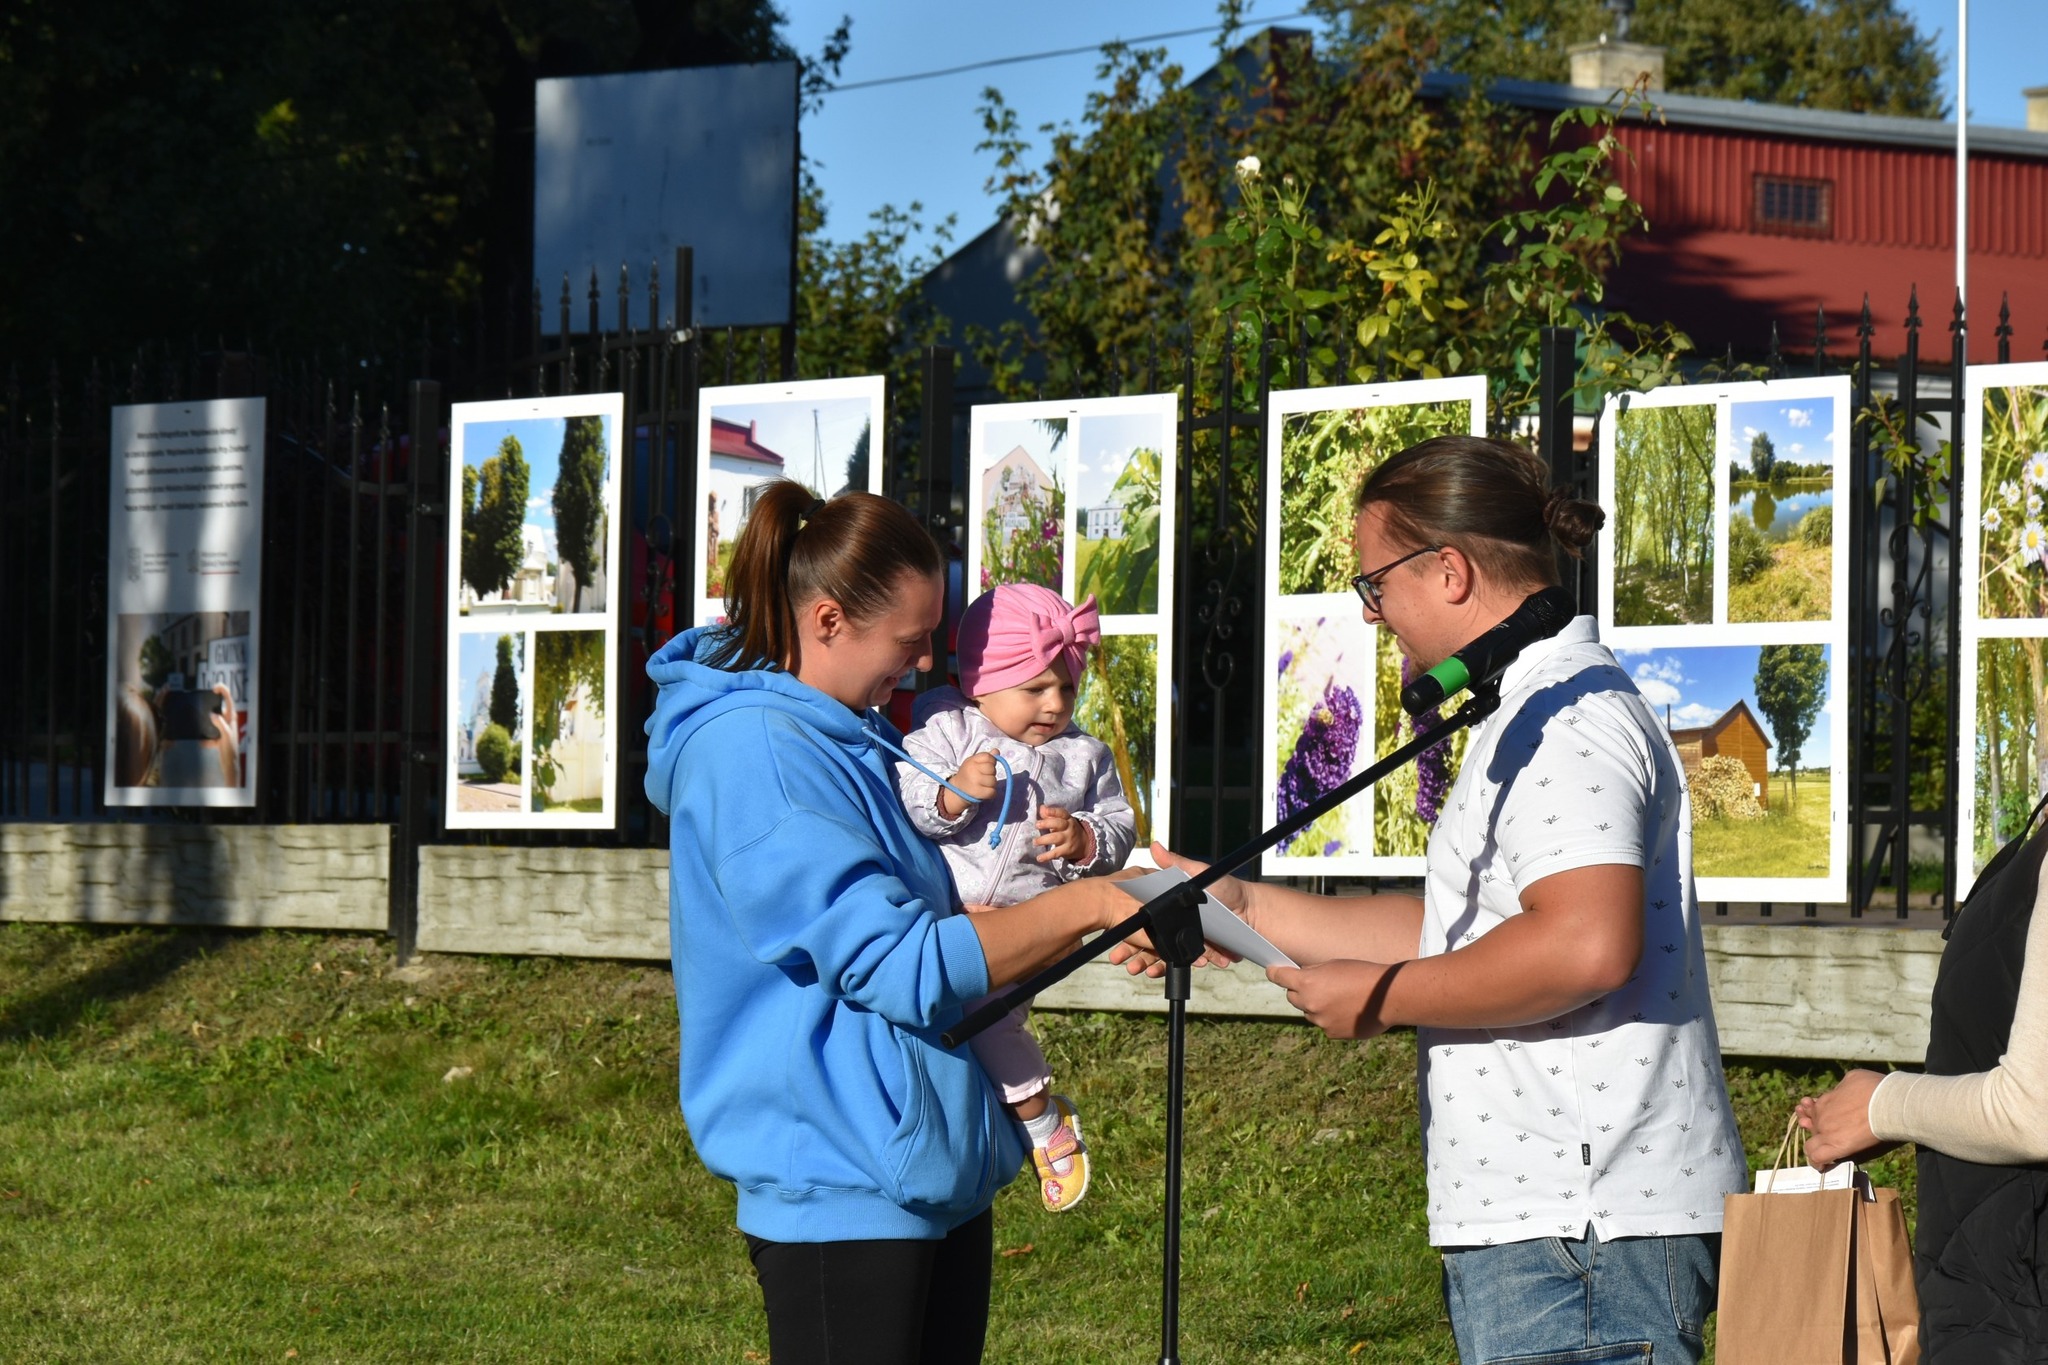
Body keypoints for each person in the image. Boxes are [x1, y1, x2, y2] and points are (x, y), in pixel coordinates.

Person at [1124, 434, 1748, 1364]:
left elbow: (1585, 945)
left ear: (1448, 570)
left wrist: (1382, 997)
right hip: (1559, 1230)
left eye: (1375, 584)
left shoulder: (1568, 719)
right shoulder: (1525, 708)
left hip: (1584, 1233)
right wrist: (1239, 904)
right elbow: (1456, 929)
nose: (1374, 615)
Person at [643, 479, 1131, 1365]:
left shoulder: (853, 730)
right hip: (843, 1182)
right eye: (910, 645)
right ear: (828, 620)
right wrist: (1098, 903)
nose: (920, 670)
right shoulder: (760, 754)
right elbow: (903, 964)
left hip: (926, 1170)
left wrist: (1096, 878)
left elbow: (926, 915)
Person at [893, 583, 1137, 1213]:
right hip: (947, 918)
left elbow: (1120, 827)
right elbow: (910, 802)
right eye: (1035, 689)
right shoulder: (947, 730)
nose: (1054, 705)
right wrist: (950, 795)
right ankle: (1000, 1120)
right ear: (981, 681)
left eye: (1066, 688)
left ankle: (1042, 1124)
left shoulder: (1084, 756)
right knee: (962, 1030)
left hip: (1030, 929)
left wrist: (1085, 840)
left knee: (994, 1022)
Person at [1798, 792, 2048, 1359]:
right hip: (1990, 1292)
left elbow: (2036, 1112)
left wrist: (1885, 1104)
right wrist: (1901, 1114)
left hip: (2019, 1314)